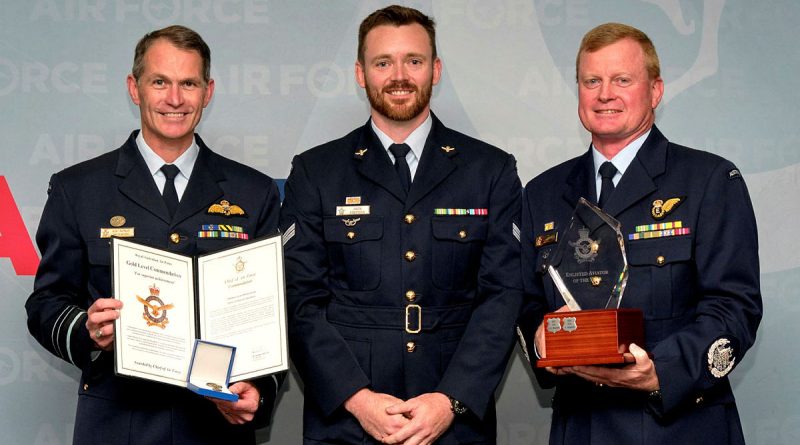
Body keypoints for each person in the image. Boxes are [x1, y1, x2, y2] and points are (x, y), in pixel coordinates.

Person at [25, 25, 283, 444]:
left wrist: (260, 387)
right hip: (116, 421)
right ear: (134, 87)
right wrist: (86, 330)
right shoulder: (79, 188)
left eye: (189, 84)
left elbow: (272, 315)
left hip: (215, 426)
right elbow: (46, 304)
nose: (175, 99)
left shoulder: (252, 192)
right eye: (159, 82)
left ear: (208, 90)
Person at [279, 5, 523, 445]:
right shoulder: (316, 172)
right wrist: (357, 399)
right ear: (360, 73)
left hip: (452, 423)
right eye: (382, 62)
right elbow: (299, 301)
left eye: (414, 60)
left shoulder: (489, 171)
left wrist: (450, 400)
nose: (399, 75)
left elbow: (502, 298)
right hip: (346, 423)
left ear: (436, 69)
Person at [517, 22, 762, 444]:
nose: (604, 94)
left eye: (622, 80)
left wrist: (660, 370)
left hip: (680, 426)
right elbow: (522, 300)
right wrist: (541, 338)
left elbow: (734, 307)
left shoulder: (709, 181)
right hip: (581, 428)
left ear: (655, 90)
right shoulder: (542, 193)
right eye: (591, 80)